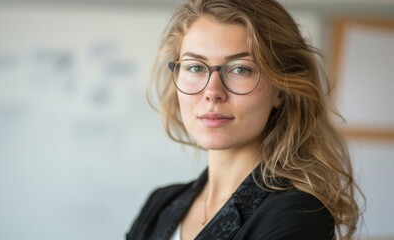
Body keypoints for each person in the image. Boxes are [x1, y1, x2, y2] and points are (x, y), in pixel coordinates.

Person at [127, 0, 363, 239]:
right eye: (196, 67)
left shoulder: (296, 215)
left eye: (240, 69)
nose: (213, 92)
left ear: (280, 90)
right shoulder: (160, 205)